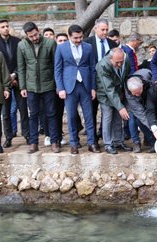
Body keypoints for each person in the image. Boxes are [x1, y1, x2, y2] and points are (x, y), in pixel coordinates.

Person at [54, 24, 98, 154]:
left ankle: (91, 143)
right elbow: (57, 69)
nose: (78, 40)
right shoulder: (61, 48)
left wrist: (93, 87)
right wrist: (60, 88)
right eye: (75, 38)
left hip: (85, 85)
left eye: (80, 37)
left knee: (89, 115)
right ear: (69, 36)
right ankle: (73, 143)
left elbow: (92, 68)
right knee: (72, 116)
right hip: (69, 86)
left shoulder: (88, 47)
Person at [17, 22, 58, 153]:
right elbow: (21, 67)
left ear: (38, 31)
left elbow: (56, 65)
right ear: (26, 35)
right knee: (33, 115)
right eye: (31, 36)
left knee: (51, 113)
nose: (34, 38)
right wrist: (23, 86)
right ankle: (33, 143)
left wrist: (57, 85)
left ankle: (54, 141)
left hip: (49, 85)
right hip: (31, 86)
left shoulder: (50, 43)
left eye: (35, 34)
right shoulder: (21, 45)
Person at [87, 18, 118, 144]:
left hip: (109, 84)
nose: (105, 32)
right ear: (96, 28)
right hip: (93, 84)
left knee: (109, 113)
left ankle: (109, 139)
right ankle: (92, 139)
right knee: (92, 112)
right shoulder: (87, 43)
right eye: (102, 29)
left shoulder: (112, 45)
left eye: (106, 29)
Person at [0, 19, 20, 148]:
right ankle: (8, 137)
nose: (6, 28)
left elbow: (21, 61)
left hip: (17, 79)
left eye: (7, 26)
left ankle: (27, 135)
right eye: (2, 27)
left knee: (23, 109)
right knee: (6, 112)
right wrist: (6, 78)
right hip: (3, 82)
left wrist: (14, 74)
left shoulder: (17, 42)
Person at [96, 48, 132, 154]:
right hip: (106, 95)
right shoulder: (103, 65)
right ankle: (108, 144)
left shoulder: (126, 59)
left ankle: (118, 142)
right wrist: (121, 107)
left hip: (118, 93)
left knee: (117, 118)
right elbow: (109, 89)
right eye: (117, 62)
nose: (120, 64)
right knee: (108, 118)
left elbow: (126, 76)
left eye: (121, 61)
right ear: (110, 58)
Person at [125, 69, 157, 153]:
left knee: (148, 116)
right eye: (135, 93)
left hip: (147, 95)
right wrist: (154, 130)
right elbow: (141, 114)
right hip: (133, 104)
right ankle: (136, 142)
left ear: (142, 86)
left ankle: (152, 141)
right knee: (134, 118)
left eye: (139, 92)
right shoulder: (128, 92)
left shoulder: (148, 81)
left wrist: (153, 128)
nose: (137, 95)